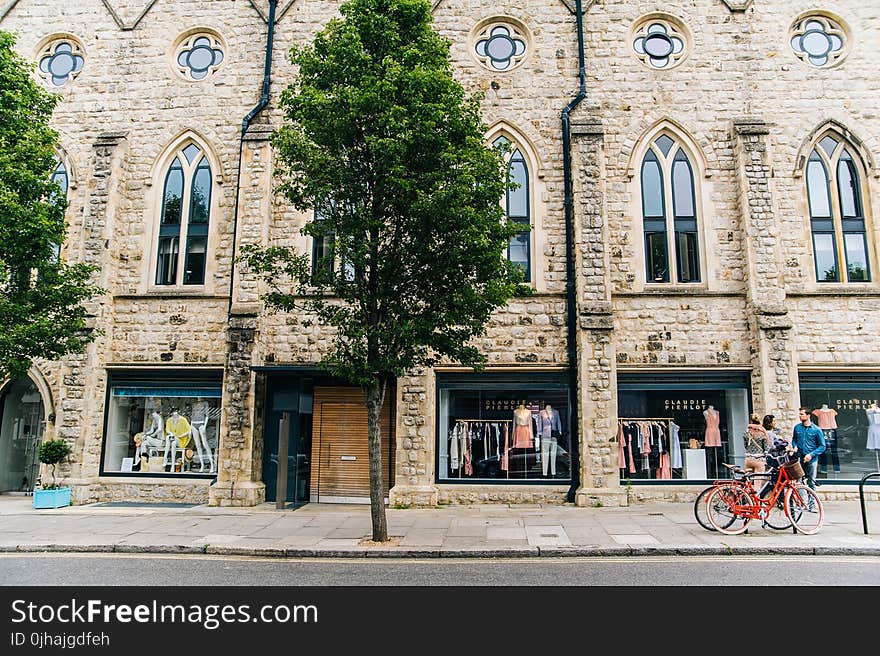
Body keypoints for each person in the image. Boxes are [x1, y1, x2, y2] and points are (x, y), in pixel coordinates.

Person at [791, 406, 826, 490]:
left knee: (811, 481)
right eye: (799, 414)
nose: (800, 416)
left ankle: (812, 502)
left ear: (808, 415)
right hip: (800, 458)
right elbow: (794, 439)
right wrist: (794, 446)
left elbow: (822, 446)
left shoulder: (816, 430)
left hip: (812, 459)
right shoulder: (797, 427)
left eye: (802, 414)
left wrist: (811, 454)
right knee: (799, 481)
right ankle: (801, 501)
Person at [538, 403, 562, 476]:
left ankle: (553, 472)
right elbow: (539, 423)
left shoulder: (556, 412)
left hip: (554, 434)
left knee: (553, 454)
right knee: (545, 454)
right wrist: (539, 432)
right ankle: (544, 472)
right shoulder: (541, 412)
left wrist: (560, 430)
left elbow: (558, 422)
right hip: (545, 435)